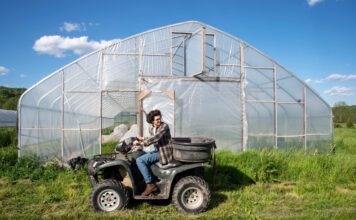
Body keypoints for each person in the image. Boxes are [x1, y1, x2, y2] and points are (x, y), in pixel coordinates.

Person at [134, 109, 173, 196]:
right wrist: (142, 138)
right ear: (152, 120)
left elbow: (156, 138)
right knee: (142, 156)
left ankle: (150, 184)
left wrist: (141, 143)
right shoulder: (151, 127)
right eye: (157, 119)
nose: (159, 121)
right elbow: (152, 137)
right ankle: (148, 180)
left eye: (159, 119)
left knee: (140, 160)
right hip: (157, 150)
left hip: (164, 152)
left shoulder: (164, 126)